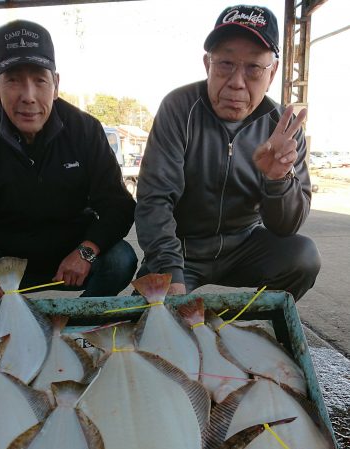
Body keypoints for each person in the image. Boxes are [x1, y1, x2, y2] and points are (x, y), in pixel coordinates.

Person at [0, 20, 137, 304]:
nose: (28, 96)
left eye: (40, 80)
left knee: (121, 259)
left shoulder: (85, 130)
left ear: (55, 84)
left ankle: (76, 318)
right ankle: (12, 314)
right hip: (10, 265)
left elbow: (119, 206)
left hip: (73, 263)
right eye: (13, 79)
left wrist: (86, 252)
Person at [135, 4, 320, 301]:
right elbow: (154, 198)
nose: (236, 82)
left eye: (253, 68)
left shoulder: (283, 127)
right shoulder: (179, 107)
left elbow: (287, 226)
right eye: (225, 64)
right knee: (147, 324)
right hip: (182, 249)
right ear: (208, 65)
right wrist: (168, 267)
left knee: (303, 256)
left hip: (245, 245)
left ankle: (256, 325)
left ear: (271, 73)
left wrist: (278, 180)